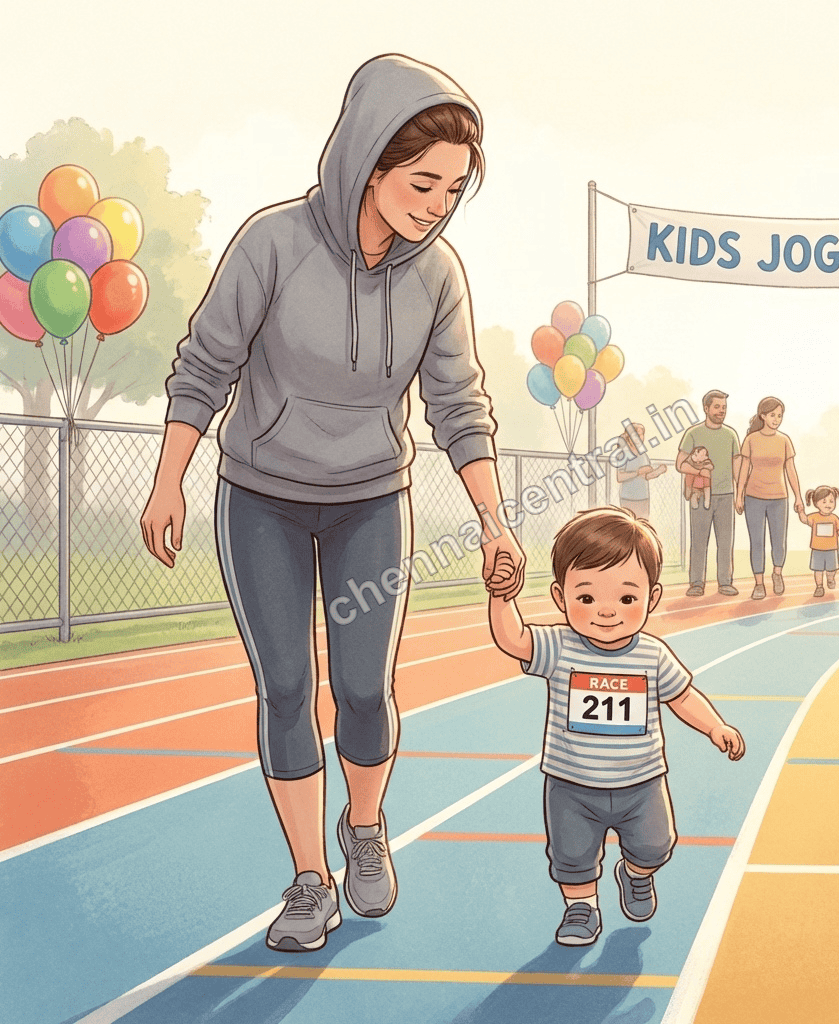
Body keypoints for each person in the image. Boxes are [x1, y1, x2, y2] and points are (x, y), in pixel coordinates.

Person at [140, 55, 525, 953]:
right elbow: (206, 363)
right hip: (260, 501)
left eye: (454, 190)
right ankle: (310, 880)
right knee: (285, 687)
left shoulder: (438, 278)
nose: (436, 204)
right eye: (422, 182)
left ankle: (364, 828)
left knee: (361, 687)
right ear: (368, 162)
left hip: (369, 506)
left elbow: (459, 405)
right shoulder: (271, 243)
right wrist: (169, 478)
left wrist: (494, 519)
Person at [486, 508, 745, 946]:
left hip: (641, 783)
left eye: (626, 599)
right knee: (572, 857)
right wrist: (500, 597)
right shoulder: (558, 645)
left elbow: (681, 696)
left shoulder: (653, 655)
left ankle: (636, 874)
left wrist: (715, 726)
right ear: (559, 596)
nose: (606, 611)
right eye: (586, 598)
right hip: (571, 785)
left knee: (655, 846)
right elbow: (513, 640)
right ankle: (581, 908)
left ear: (652, 597)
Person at [735, 396, 803, 600]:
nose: (777, 419)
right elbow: (744, 469)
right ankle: (758, 583)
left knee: (779, 541)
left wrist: (798, 497)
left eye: (780, 416)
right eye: (772, 415)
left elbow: (791, 470)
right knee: (757, 541)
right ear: (762, 416)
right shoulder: (751, 439)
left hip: (779, 498)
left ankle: (777, 574)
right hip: (754, 497)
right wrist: (739, 496)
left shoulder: (784, 440)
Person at [676, 389, 741, 598]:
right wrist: (699, 472)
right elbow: (680, 464)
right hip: (700, 494)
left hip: (726, 495)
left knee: (725, 541)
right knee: (699, 540)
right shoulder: (693, 433)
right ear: (706, 408)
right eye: (717, 407)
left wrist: (739, 493)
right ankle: (696, 583)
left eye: (724, 407)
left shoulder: (731, 434)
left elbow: (737, 466)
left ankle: (725, 582)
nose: (721, 411)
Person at [798, 485, 839, 597]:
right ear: (816, 503)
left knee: (831, 570)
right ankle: (819, 587)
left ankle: (830, 578)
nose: (828, 504)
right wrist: (800, 511)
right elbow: (804, 519)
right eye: (824, 501)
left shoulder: (834, 518)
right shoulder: (814, 517)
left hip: (832, 550)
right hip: (817, 550)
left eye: (831, 501)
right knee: (818, 570)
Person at [616, 421, 665, 520]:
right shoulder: (623, 454)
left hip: (643, 498)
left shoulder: (643, 455)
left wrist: (658, 471)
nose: (640, 438)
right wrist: (637, 472)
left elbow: (646, 476)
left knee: (643, 526)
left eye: (641, 435)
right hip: (628, 498)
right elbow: (619, 477)